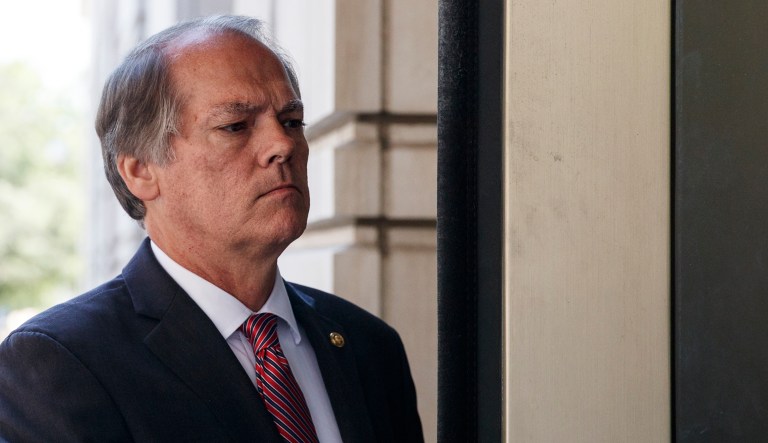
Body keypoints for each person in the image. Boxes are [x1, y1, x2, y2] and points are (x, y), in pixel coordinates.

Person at [0, 15, 423, 443]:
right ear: (140, 170)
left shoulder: (369, 345)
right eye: (235, 126)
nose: (282, 145)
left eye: (292, 121)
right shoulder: (60, 363)